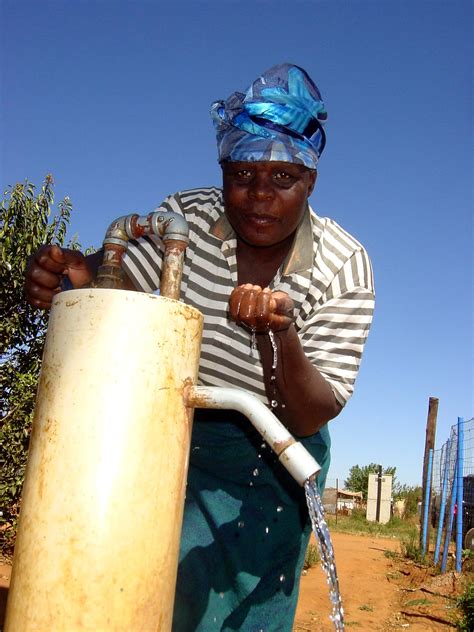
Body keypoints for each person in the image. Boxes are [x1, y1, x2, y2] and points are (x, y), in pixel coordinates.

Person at [25, 63, 375, 631]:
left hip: (270, 456)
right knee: (138, 582)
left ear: (310, 180)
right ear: (221, 169)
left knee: (240, 612)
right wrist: (60, 276)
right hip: (173, 431)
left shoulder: (344, 264)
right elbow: (100, 279)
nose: (260, 196)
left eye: (283, 178)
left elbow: (312, 410)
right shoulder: (184, 218)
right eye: (242, 173)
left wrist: (278, 335)